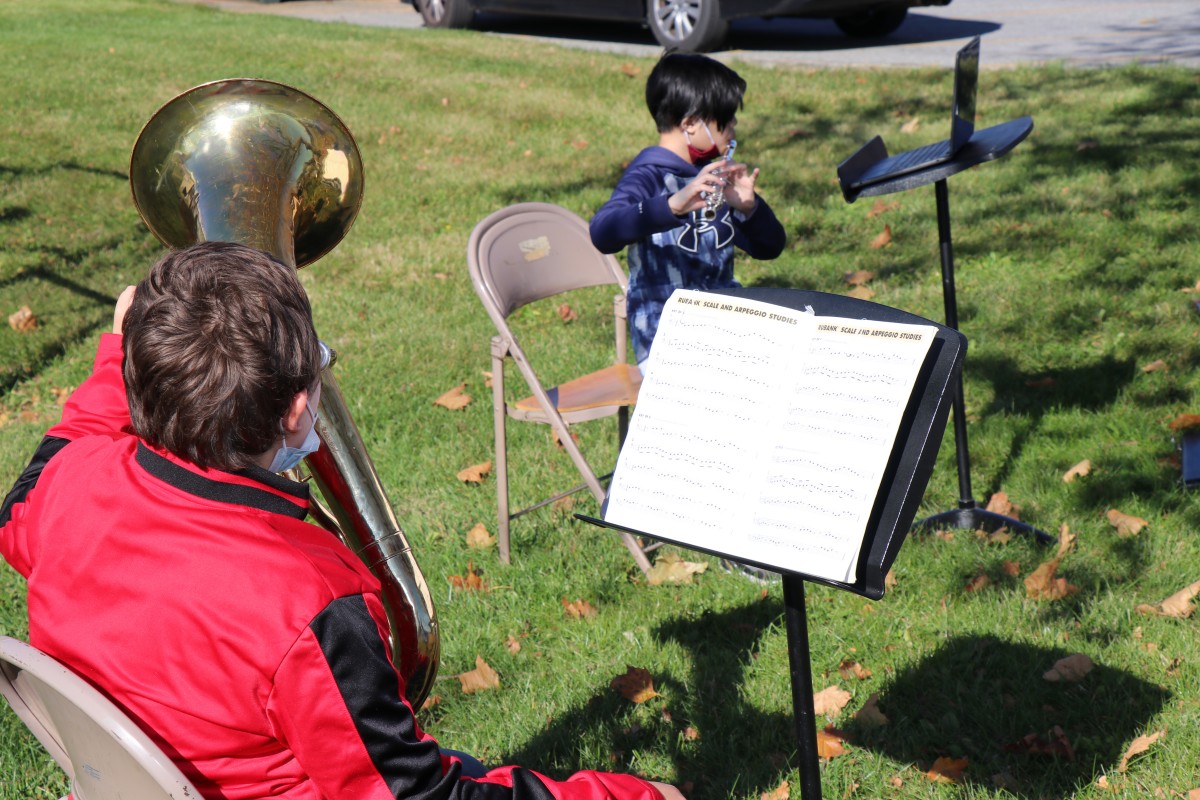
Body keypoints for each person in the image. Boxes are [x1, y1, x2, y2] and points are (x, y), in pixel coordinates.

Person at [0, 241, 683, 800]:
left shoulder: (70, 484)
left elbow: (29, 494)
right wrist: (632, 795)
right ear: (298, 412)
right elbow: (411, 797)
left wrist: (116, 351)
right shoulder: (309, 605)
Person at [589, 52, 787, 375]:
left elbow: (770, 247)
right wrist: (670, 207)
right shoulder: (648, 175)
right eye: (726, 119)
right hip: (665, 333)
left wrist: (750, 209)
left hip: (723, 321)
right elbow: (602, 232)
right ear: (691, 123)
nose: (734, 127)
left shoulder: (713, 176)